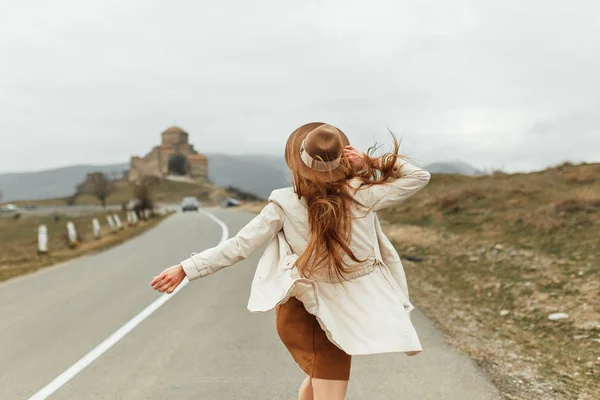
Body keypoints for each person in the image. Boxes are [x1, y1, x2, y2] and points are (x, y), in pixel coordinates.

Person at [150, 122, 431, 400]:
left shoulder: (297, 201)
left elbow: (239, 246)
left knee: (317, 380)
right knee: (327, 376)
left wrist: (185, 268)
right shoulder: (361, 194)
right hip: (308, 312)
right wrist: (370, 160)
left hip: (327, 311)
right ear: (343, 159)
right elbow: (417, 176)